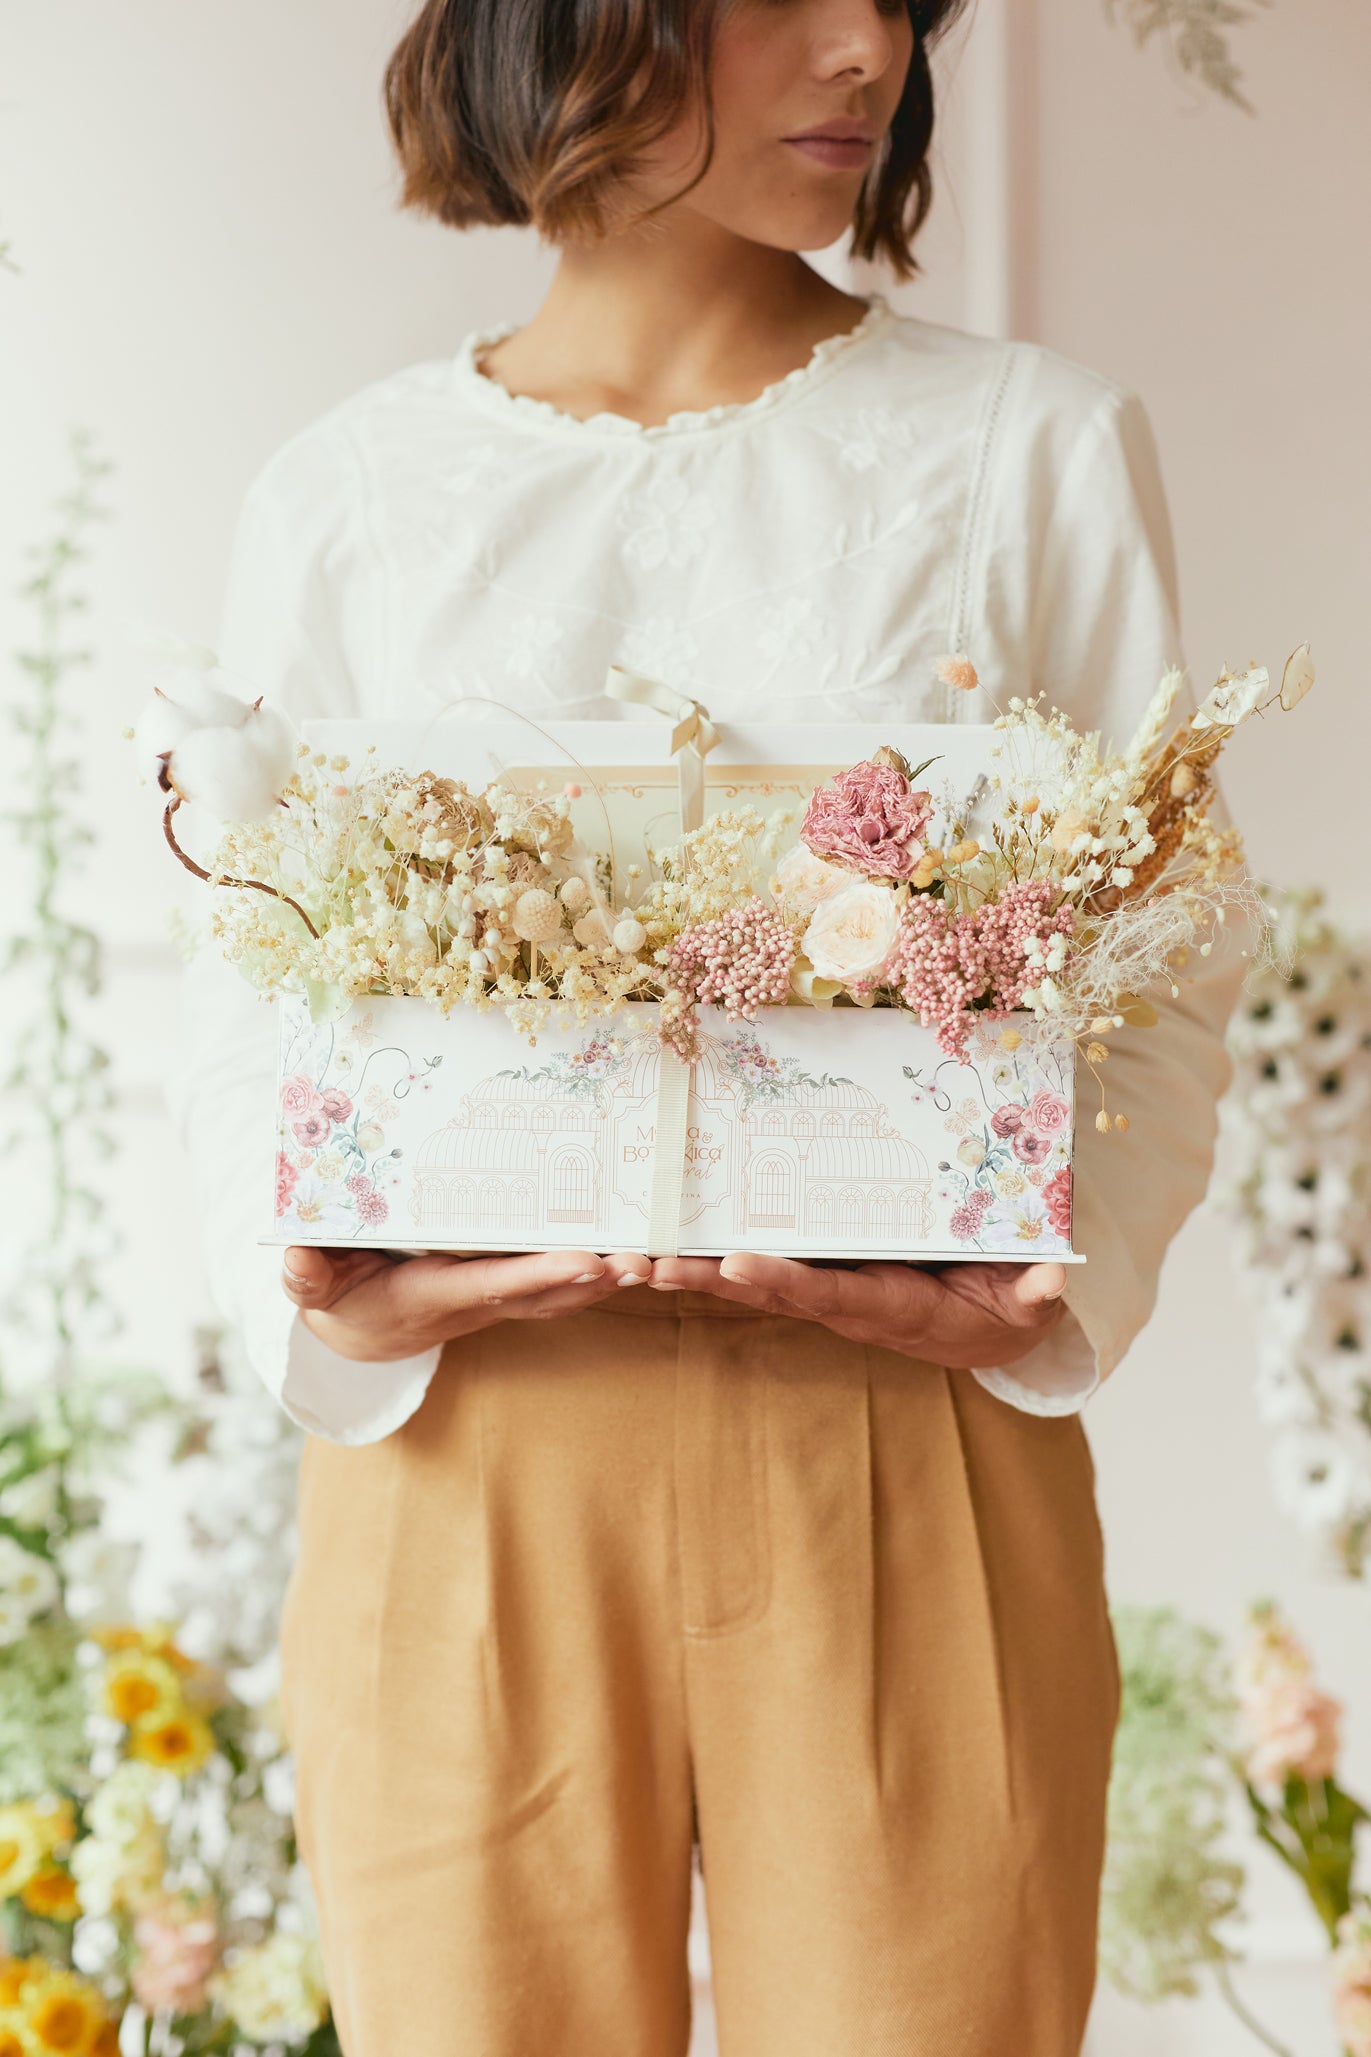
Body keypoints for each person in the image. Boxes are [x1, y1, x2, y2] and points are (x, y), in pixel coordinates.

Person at [170, 1, 1248, 2050]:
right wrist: (324, 1297)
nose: (863, 47)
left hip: (904, 1435)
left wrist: (1031, 1293)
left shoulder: (1029, 447)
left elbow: (1173, 942)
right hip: (465, 1458)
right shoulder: (346, 493)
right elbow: (248, 977)